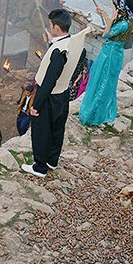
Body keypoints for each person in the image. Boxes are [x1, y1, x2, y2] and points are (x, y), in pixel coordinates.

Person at [22, 9, 91, 177]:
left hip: (50, 97)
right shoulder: (72, 41)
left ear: (57, 27)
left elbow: (49, 81)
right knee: (57, 130)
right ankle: (52, 161)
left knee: (42, 131)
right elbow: (61, 52)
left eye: (51, 25)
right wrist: (51, 42)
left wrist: (36, 105)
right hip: (63, 93)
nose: (50, 27)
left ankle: (40, 167)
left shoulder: (58, 52)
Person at [79, 0, 133, 126]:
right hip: (114, 52)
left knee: (102, 81)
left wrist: (110, 18)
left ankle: (94, 114)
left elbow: (106, 34)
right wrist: (105, 14)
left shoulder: (123, 24)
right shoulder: (128, 19)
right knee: (106, 80)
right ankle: (101, 109)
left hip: (110, 54)